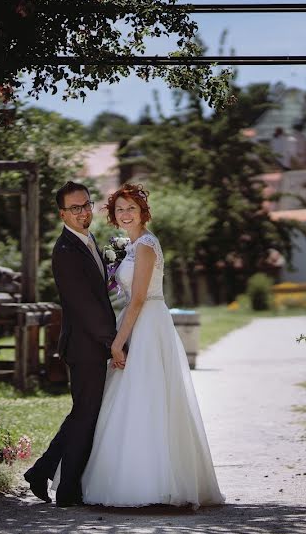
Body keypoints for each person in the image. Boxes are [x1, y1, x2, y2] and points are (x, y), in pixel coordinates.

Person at [79, 183, 224, 508]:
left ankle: (157, 483)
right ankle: (135, 476)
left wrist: (118, 342)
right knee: (133, 396)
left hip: (147, 322)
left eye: (131, 208)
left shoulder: (145, 245)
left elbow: (140, 298)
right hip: (137, 319)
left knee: (148, 395)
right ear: (113, 216)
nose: (125, 214)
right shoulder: (128, 246)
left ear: (143, 212)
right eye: (120, 210)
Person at [23, 181, 116, 507]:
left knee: (84, 413)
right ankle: (67, 491)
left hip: (93, 343)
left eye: (86, 204)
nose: (83, 212)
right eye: (75, 208)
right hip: (84, 345)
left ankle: (42, 472)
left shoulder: (89, 241)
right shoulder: (64, 251)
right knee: (86, 415)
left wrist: (131, 237)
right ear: (62, 213)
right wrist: (113, 342)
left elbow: (107, 268)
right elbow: (85, 305)